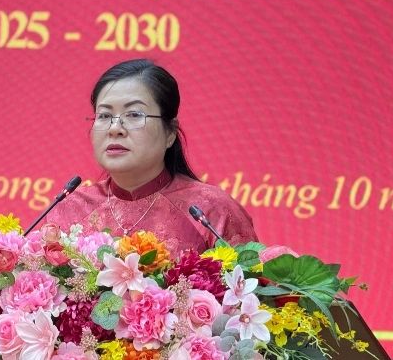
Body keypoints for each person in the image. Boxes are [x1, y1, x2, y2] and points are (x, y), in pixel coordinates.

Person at [45, 59, 257, 254]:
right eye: (105, 116)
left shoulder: (210, 211)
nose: (115, 128)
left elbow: (252, 288)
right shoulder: (69, 210)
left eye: (134, 115)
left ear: (170, 132)